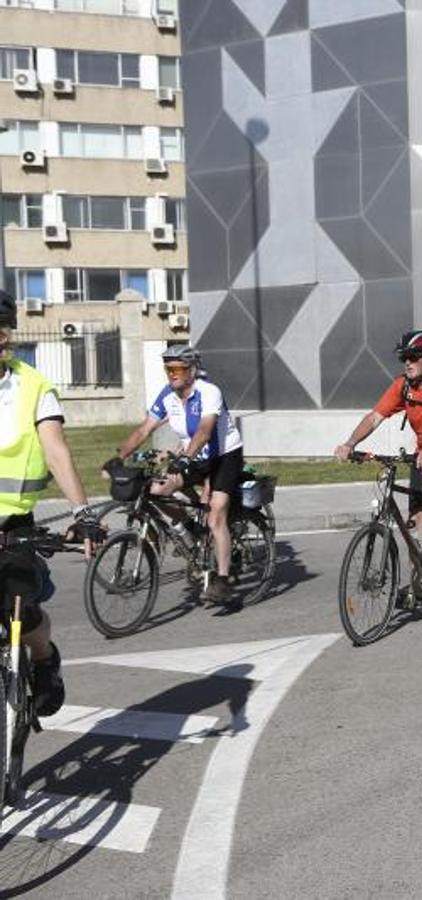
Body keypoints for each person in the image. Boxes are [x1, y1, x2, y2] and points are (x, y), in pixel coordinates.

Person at [0, 291, 102, 717]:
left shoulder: (34, 385)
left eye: (4, 334)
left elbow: (56, 450)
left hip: (13, 524)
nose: (3, 343)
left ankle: (44, 662)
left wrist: (82, 512)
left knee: (20, 614)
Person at [112, 344, 245, 606]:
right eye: (168, 368)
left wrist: (184, 458)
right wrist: (119, 457)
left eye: (178, 368)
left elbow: (205, 430)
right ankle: (190, 530)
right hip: (193, 455)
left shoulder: (209, 392)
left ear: (192, 370)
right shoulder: (167, 395)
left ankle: (223, 579)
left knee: (216, 513)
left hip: (223, 456)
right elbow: (143, 430)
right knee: (155, 491)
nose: (172, 374)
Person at [334, 331, 422, 557]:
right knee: (416, 519)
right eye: (404, 358)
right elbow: (374, 417)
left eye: (413, 357)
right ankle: (420, 579)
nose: (408, 363)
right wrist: (350, 443)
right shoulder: (403, 385)